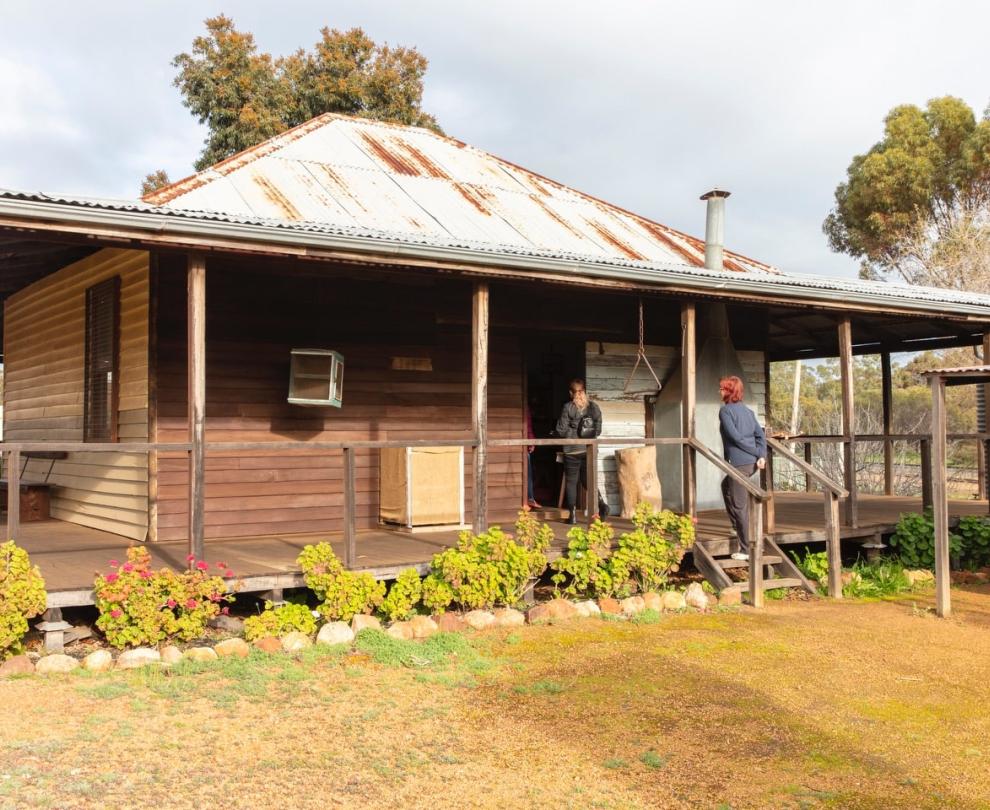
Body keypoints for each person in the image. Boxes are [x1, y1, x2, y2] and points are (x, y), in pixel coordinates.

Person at [718, 375, 767, 561]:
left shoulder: (726, 411)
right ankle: (736, 526)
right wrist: (761, 455)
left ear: (729, 391)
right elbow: (760, 436)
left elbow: (735, 437)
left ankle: (747, 549)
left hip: (741, 463)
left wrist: (757, 453)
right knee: (726, 487)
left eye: (722, 388)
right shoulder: (747, 411)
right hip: (751, 463)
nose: (720, 391)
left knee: (739, 505)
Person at [555, 378, 608, 524]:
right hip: (589, 450)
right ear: (584, 391)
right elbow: (598, 429)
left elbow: (561, 430)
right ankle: (602, 505)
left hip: (572, 450)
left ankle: (572, 516)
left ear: (571, 393)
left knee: (572, 482)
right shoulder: (594, 407)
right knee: (588, 480)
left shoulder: (568, 407)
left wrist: (570, 429)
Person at [525, 402, 541, 508]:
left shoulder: (525, 408)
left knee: (528, 471)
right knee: (528, 472)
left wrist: (531, 440)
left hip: (524, 443)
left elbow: (528, 425)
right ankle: (529, 498)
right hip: (521, 443)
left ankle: (530, 498)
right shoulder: (525, 407)